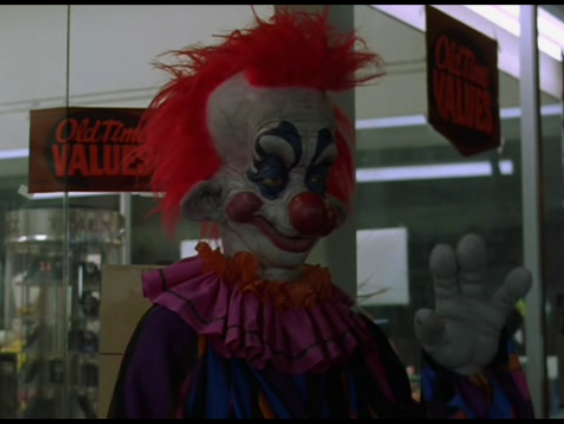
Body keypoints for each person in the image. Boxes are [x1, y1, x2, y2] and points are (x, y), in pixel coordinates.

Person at [108, 9, 534, 419]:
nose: (307, 209)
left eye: (316, 175)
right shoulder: (177, 337)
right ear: (210, 198)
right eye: (272, 172)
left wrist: (467, 380)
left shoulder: (351, 338)